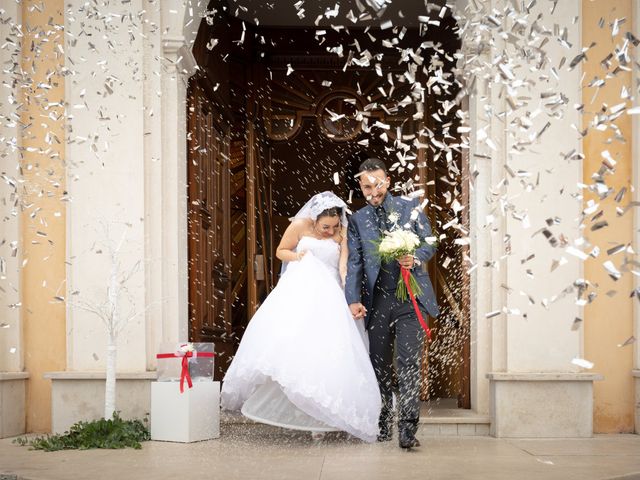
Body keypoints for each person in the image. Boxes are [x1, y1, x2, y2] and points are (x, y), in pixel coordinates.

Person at [221, 191, 381, 442]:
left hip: (329, 293)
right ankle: (297, 408)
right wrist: (299, 257)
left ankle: (323, 413)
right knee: (294, 347)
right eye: (325, 226)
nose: (330, 231)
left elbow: (343, 263)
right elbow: (281, 251)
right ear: (314, 219)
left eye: (334, 226)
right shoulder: (299, 225)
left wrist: (347, 293)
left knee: (327, 351)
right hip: (299, 291)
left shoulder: (341, 234)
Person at [345, 158, 439, 449]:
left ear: (387, 180)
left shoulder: (410, 207)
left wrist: (417, 257)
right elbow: (356, 262)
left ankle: (408, 430)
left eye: (377, 183)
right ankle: (384, 422)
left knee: (409, 362)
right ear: (360, 186)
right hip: (378, 302)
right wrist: (353, 299)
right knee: (380, 365)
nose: (372, 190)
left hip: (411, 300)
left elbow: (430, 241)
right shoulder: (357, 219)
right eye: (366, 186)